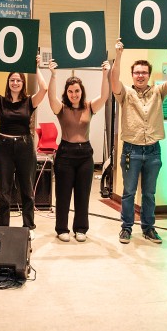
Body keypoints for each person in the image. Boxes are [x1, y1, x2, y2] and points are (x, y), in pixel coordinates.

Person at [109, 39, 167, 245]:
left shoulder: (158, 91)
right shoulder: (126, 93)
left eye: (143, 72)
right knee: (129, 192)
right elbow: (114, 80)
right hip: (131, 150)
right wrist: (119, 55)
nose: (140, 75)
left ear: (149, 75)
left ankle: (149, 229)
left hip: (153, 151)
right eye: (136, 72)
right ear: (132, 75)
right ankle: (126, 228)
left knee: (149, 193)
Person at [0, 50, 49, 229]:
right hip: (3, 149)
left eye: (19, 80)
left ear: (23, 83)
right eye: (12, 80)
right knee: (4, 193)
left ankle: (28, 227)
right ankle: (3, 230)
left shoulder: (29, 102)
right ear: (8, 83)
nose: (15, 82)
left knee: (27, 191)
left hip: (24, 147)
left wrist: (36, 68)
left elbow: (44, 88)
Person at [46, 60, 111, 242]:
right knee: (63, 194)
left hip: (85, 156)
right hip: (65, 154)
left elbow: (105, 95)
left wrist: (105, 74)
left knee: (83, 195)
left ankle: (81, 228)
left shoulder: (89, 106)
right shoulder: (62, 108)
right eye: (70, 91)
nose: (74, 94)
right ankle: (61, 229)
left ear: (81, 91)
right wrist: (53, 75)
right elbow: (51, 98)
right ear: (66, 93)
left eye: (77, 91)